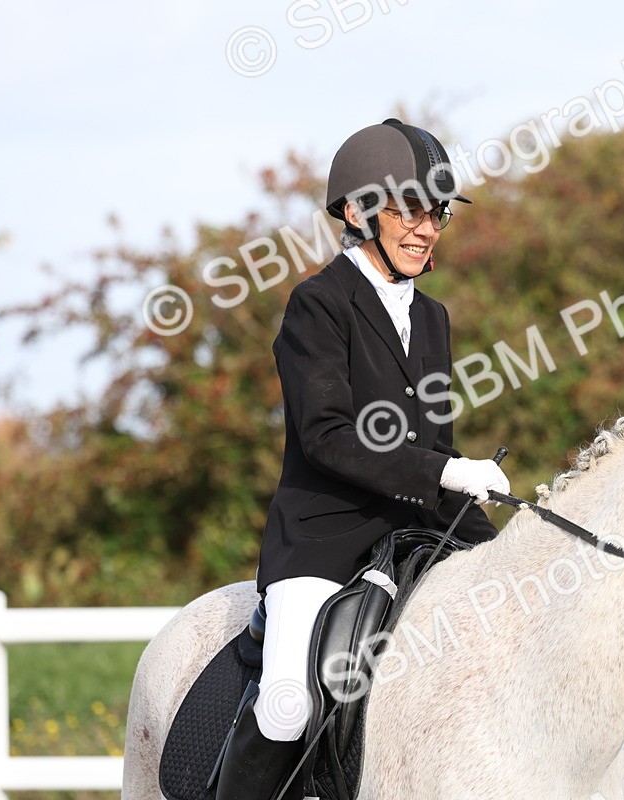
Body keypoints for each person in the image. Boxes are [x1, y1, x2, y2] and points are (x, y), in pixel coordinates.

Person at [214, 119, 511, 800]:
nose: (426, 228)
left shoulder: (432, 318)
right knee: (288, 705)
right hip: (325, 537)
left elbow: (431, 443)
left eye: (435, 212)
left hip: (419, 530)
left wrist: (482, 513)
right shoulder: (317, 306)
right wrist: (443, 471)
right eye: (408, 208)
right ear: (357, 211)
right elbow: (328, 436)